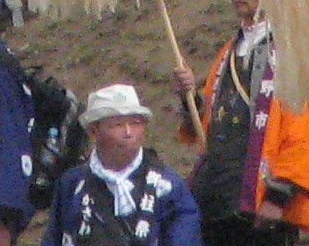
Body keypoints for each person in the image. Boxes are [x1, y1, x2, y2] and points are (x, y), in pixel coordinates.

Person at [188, 0, 309, 246]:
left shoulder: (297, 50)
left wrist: (279, 195)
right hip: (219, 195)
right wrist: (189, 99)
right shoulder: (231, 49)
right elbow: (208, 118)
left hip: (262, 202)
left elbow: (307, 131)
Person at [39, 86, 196, 246]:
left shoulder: (168, 186)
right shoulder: (72, 183)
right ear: (93, 131)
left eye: (135, 123)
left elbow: (185, 237)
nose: (128, 132)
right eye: (118, 125)